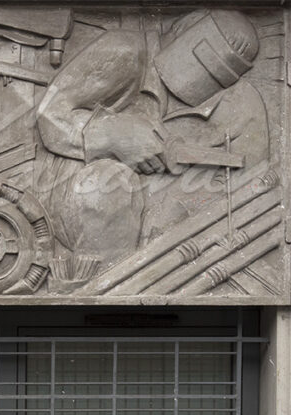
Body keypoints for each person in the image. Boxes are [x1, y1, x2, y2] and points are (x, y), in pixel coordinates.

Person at [36, 9, 268, 268]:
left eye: (218, 75)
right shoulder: (123, 50)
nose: (204, 76)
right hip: (79, 186)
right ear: (181, 30)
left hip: (172, 214)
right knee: (107, 187)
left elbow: (254, 183)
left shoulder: (241, 103)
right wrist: (113, 135)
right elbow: (50, 116)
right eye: (202, 59)